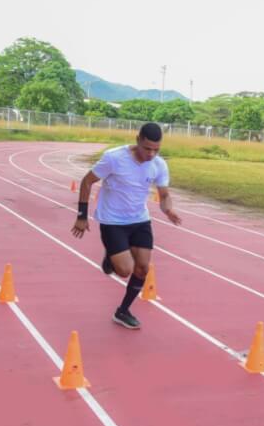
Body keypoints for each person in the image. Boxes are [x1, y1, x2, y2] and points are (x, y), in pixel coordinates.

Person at [70, 122, 181, 329]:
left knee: (142, 269)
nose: (151, 154)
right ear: (138, 140)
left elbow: (164, 194)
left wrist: (168, 210)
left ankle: (123, 311)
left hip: (140, 220)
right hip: (113, 221)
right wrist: (82, 215)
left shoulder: (159, 164)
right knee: (124, 270)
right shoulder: (114, 158)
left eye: (156, 150)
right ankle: (112, 258)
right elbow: (87, 182)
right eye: (147, 148)